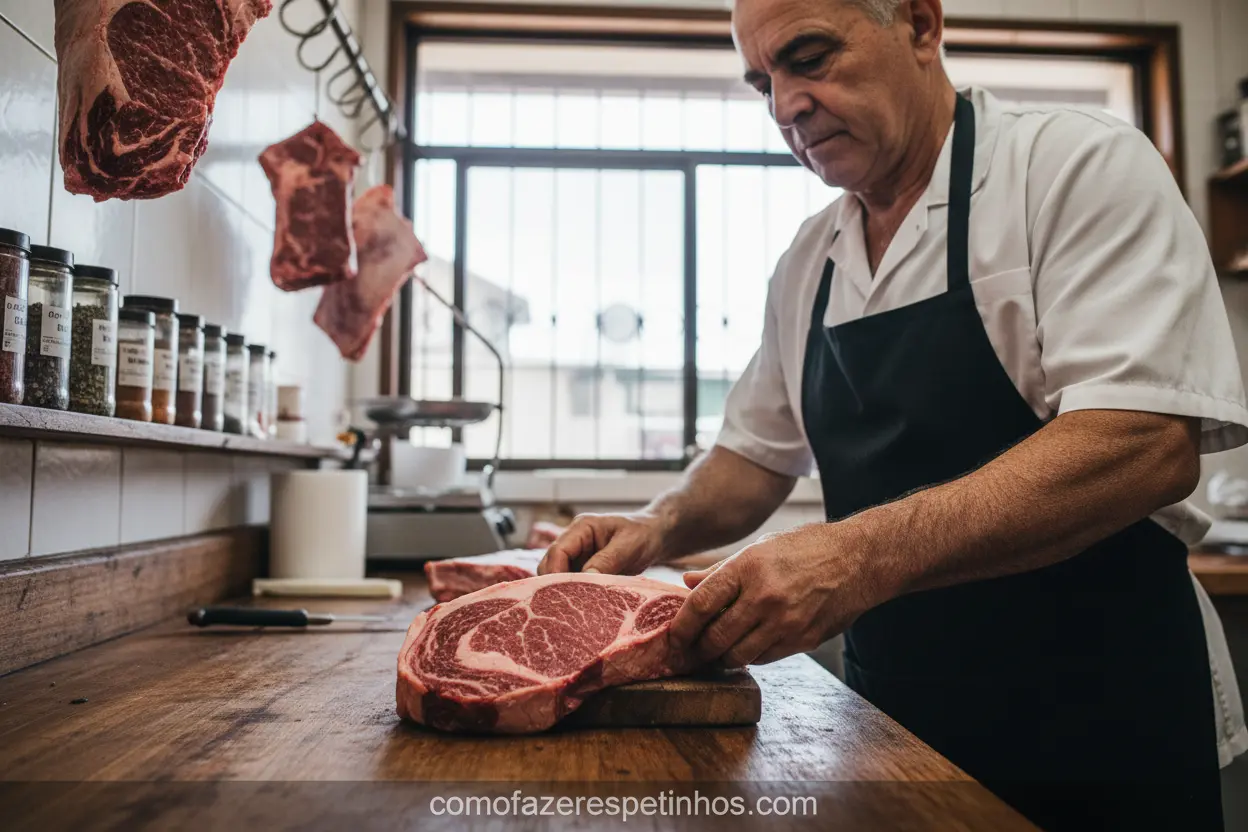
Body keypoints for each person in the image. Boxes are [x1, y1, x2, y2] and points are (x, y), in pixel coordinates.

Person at [539, 0, 1248, 827]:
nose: (786, 106)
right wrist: (657, 525)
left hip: (1106, 720)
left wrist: (853, 558)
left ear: (919, 23)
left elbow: (1143, 442)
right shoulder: (809, 259)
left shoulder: (1072, 167)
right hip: (896, 721)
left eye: (809, 57)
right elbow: (753, 456)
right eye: (762, 84)